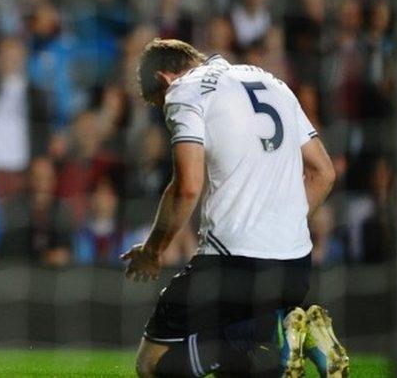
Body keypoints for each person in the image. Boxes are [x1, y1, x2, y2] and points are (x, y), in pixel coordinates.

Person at [121, 39, 349, 377]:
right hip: (295, 267)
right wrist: (279, 228)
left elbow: (186, 187)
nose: (163, 107)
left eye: (158, 102)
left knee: (152, 363)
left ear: (165, 78)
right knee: (243, 365)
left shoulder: (185, 91)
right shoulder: (272, 82)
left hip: (230, 264)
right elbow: (323, 173)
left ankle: (274, 337)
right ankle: (295, 334)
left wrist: (153, 251)